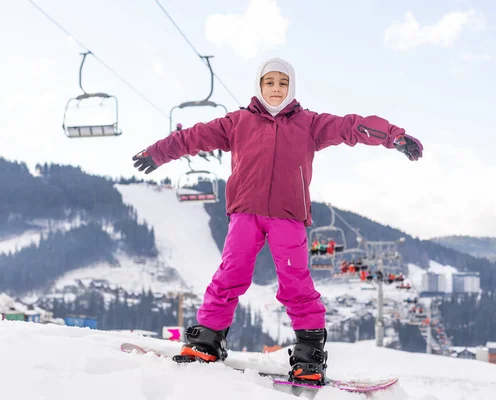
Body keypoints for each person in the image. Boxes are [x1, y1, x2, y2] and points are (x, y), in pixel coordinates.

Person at [132, 57, 423, 384]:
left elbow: (351, 126)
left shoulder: (310, 123)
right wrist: (158, 152)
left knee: (296, 282)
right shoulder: (238, 121)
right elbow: (193, 137)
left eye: (282, 83)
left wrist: (393, 136)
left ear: (291, 87)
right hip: (245, 213)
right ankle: (207, 340)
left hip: (288, 216)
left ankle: (309, 355)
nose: (275, 89)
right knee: (230, 274)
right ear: (259, 85)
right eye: (269, 82)